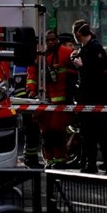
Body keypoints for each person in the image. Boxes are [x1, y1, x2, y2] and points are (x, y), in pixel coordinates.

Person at [71, 23, 107, 173]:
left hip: (95, 98)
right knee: (92, 131)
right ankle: (96, 162)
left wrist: (81, 66)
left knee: (95, 132)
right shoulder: (87, 48)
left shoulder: (94, 48)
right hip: (91, 98)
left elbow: (97, 74)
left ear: (77, 34)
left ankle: (96, 164)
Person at [37, 30, 75, 168]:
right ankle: (50, 160)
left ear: (57, 40)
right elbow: (32, 73)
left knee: (57, 131)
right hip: (44, 100)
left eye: (53, 40)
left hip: (60, 101)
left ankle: (60, 160)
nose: (51, 42)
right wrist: (31, 90)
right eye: (48, 40)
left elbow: (75, 71)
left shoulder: (65, 53)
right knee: (46, 132)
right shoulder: (40, 56)